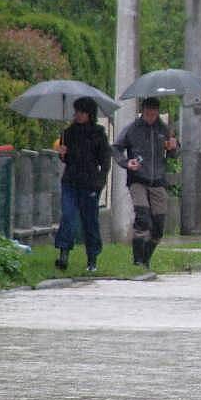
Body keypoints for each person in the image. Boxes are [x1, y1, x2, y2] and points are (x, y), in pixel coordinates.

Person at [112, 97, 178, 268]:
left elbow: (173, 155)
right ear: (143, 112)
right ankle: (137, 261)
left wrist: (173, 148)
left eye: (154, 114)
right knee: (143, 218)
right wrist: (127, 163)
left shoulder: (163, 129)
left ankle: (146, 259)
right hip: (138, 180)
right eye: (148, 114)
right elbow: (116, 148)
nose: (151, 117)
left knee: (159, 224)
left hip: (158, 180)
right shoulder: (132, 129)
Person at [54, 96, 111, 272]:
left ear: (89, 114)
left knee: (90, 222)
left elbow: (105, 160)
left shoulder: (98, 133)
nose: (78, 115)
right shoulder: (68, 133)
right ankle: (63, 254)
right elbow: (65, 159)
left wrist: (99, 182)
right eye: (76, 111)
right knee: (68, 216)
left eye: (82, 112)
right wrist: (62, 153)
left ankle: (92, 258)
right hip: (70, 181)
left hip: (90, 184)